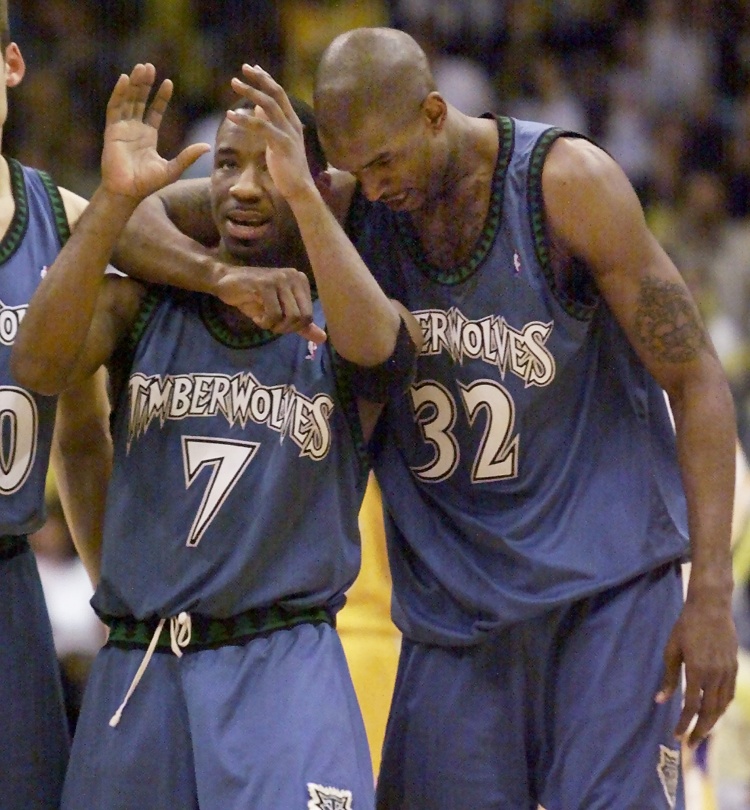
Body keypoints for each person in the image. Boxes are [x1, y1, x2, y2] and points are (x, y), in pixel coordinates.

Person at [107, 28, 738, 809]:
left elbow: (696, 380)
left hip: (605, 596)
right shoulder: (348, 202)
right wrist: (216, 275)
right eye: (354, 169)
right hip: (456, 608)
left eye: (385, 163)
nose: (373, 189)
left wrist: (711, 591)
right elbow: (125, 222)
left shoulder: (566, 185)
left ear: (435, 113)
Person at [11, 62, 420, 809]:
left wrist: (306, 194)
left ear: (319, 184)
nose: (245, 187)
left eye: (274, 168)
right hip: (141, 662)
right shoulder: (146, 303)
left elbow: (383, 351)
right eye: (229, 165)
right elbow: (36, 365)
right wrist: (118, 199)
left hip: (282, 664)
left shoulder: (347, 313)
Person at [0, 3, 112, 808]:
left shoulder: (66, 220)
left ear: (11, 65)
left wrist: (119, 602)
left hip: (11, 586)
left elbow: (82, 438)